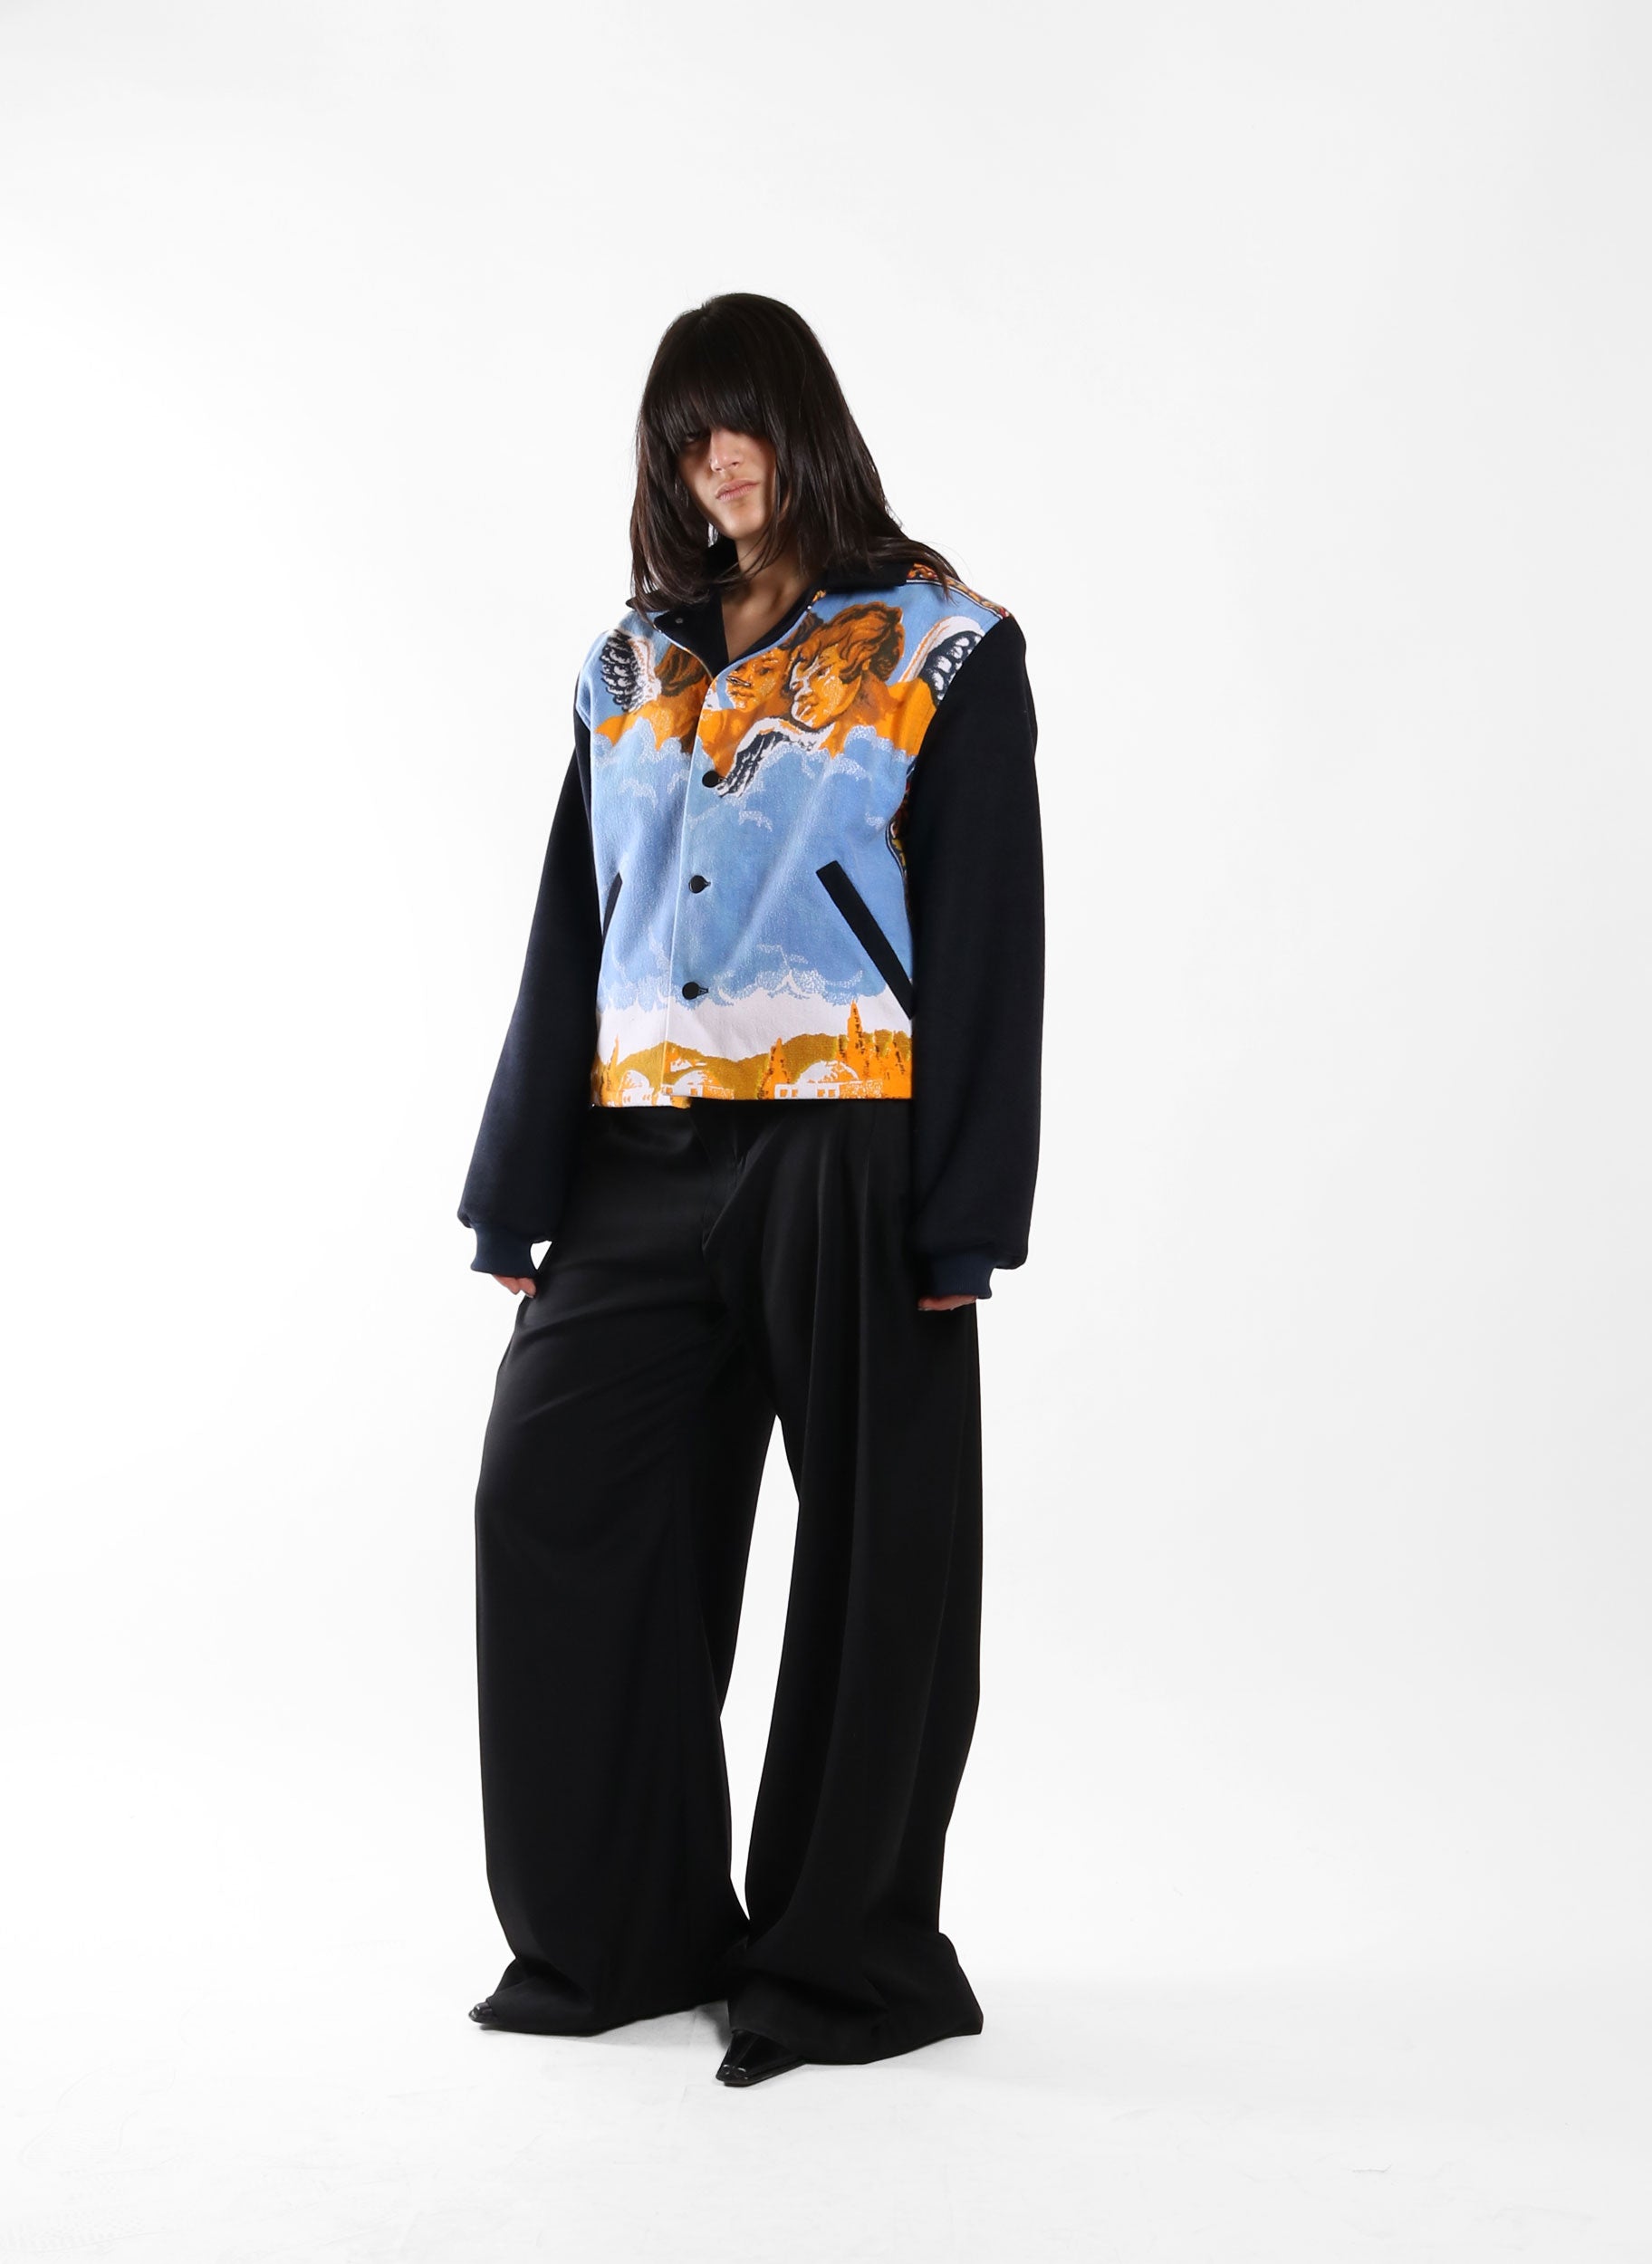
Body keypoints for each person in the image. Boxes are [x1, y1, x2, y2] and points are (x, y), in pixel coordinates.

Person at [456, 293, 1044, 2087]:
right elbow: (574, 920)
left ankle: (832, 1960)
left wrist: (965, 1212)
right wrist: (521, 1183)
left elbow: (989, 935)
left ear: (807, 426)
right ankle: (622, 1931)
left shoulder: (939, 643)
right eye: (686, 432)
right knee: (548, 1496)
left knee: (876, 1557)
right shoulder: (626, 667)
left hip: (847, 1139)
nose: (719, 460)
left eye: (744, 420)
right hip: (638, 1152)